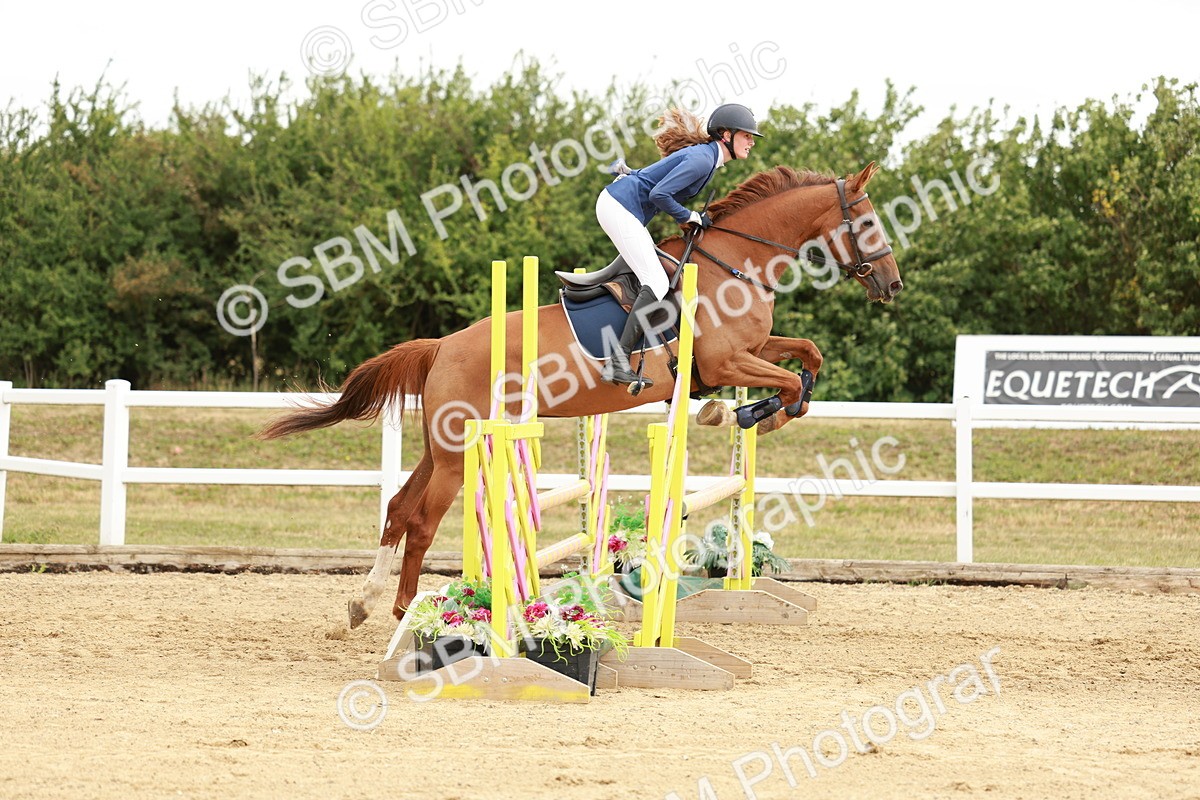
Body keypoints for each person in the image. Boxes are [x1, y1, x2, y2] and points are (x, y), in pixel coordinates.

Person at [596, 103, 762, 389]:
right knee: (657, 282)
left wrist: (631, 172)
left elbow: (655, 178)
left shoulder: (706, 158)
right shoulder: (703, 160)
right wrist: (690, 216)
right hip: (619, 208)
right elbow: (660, 194)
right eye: (746, 136)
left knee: (655, 275)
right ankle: (618, 362)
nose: (751, 142)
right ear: (726, 135)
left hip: (621, 206)